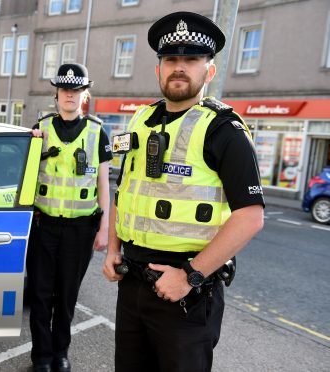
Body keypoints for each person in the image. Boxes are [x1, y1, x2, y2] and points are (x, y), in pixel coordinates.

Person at [102, 11, 265, 372]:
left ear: (209, 71)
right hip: (132, 284)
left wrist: (190, 276)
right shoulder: (139, 121)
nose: (179, 68)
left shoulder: (224, 131)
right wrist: (113, 249)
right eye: (171, 59)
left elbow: (251, 217)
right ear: (158, 69)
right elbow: (125, 191)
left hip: (187, 293)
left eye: (191, 59)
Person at [28, 63, 112, 372]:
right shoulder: (41, 129)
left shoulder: (97, 132)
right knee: (39, 295)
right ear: (57, 94)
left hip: (80, 230)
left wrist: (104, 230)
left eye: (76, 91)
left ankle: (60, 353)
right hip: (43, 227)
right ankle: (40, 356)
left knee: (66, 296)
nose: (70, 96)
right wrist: (30, 141)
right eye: (65, 90)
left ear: (84, 95)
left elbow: (104, 184)